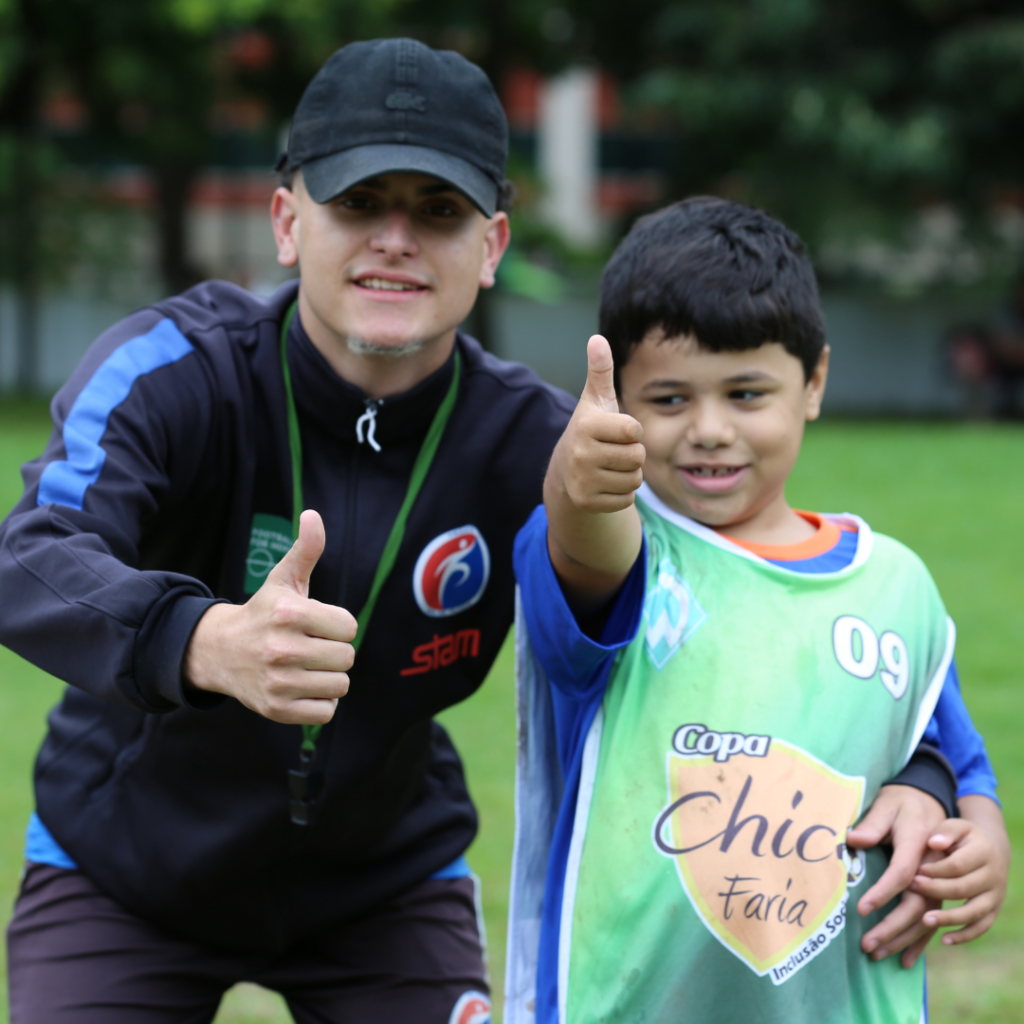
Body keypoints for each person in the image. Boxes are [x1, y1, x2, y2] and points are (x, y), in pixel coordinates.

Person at [0, 40, 967, 1024]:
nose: (394, 239)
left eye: (438, 211)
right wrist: (200, 639)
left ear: (493, 245)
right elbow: (27, 556)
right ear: (288, 222)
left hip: (384, 888)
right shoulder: (174, 372)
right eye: (358, 204)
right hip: (122, 871)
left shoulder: (544, 451)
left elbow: (749, 613)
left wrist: (935, 775)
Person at [507, 197, 1008, 1023]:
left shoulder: (896, 586)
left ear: (812, 383)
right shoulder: (631, 555)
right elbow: (586, 539)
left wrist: (979, 843)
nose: (708, 429)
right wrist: (578, 480)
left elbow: (959, 763)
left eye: (746, 393)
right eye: (667, 400)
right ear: (621, 399)